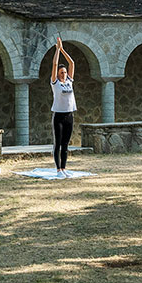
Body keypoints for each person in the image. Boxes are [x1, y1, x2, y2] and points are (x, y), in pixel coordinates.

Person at [50, 37, 76, 178]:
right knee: (58, 143)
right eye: (62, 72)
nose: (64, 74)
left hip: (69, 115)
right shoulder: (55, 83)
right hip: (58, 115)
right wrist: (57, 50)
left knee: (66, 144)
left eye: (65, 72)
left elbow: (71, 63)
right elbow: (55, 64)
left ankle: (64, 168)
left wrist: (63, 49)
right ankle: (58, 169)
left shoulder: (69, 81)